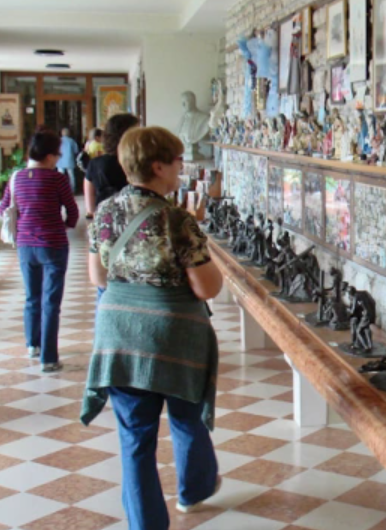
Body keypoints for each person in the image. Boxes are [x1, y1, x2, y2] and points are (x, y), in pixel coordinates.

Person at [82, 126, 223, 530]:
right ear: (158, 166)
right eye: (178, 160)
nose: (181, 167)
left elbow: (99, 277)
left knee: (135, 438)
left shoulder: (105, 212)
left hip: (120, 337)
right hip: (174, 337)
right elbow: (206, 286)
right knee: (186, 416)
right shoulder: (177, 219)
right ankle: (193, 492)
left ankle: (145, 525)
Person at [0, 131, 78, 371]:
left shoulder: (16, 178)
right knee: (51, 301)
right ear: (49, 155)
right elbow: (72, 211)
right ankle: (49, 358)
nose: (59, 158)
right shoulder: (57, 179)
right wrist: (66, 225)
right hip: (53, 245)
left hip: (25, 245)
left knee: (32, 297)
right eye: (57, 153)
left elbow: (4, 207)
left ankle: (32, 345)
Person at [84, 114, 138, 220]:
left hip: (104, 222)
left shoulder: (94, 164)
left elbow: (90, 207)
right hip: (134, 222)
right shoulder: (138, 162)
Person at [57, 128, 80, 192]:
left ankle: (60, 190)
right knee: (71, 176)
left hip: (60, 160)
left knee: (60, 176)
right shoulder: (72, 141)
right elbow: (76, 151)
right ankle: (72, 190)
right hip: (69, 160)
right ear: (69, 133)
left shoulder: (58, 141)